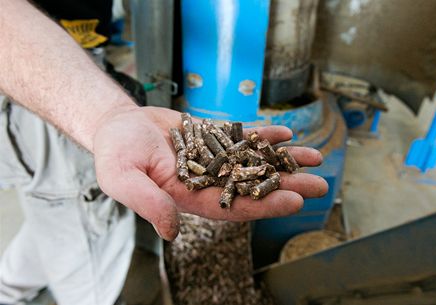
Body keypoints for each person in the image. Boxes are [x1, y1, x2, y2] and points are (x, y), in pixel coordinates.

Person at [0, 1, 328, 304]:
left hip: (55, 61)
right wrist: (104, 114)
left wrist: (107, 111)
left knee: (55, 214)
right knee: (84, 246)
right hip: (41, 87)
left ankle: (9, 288)